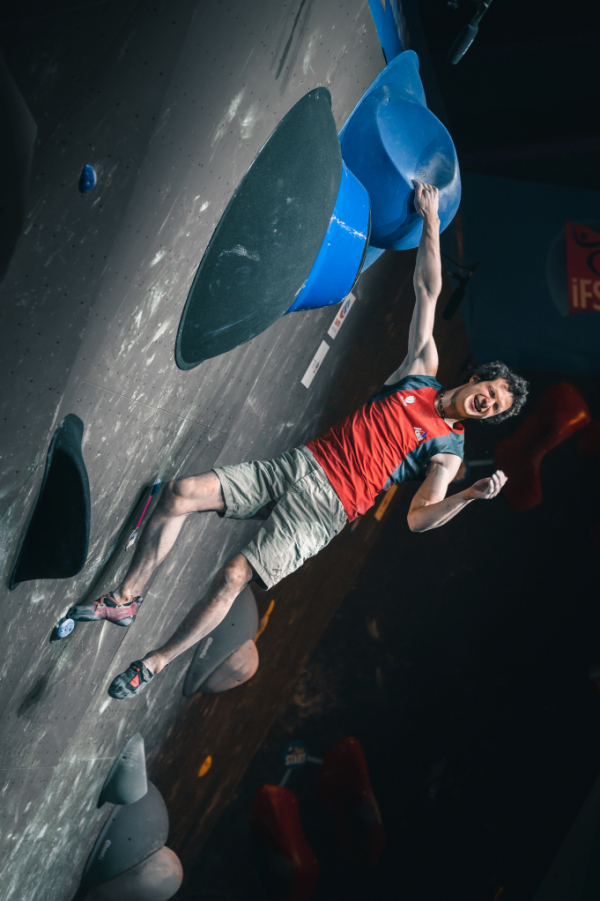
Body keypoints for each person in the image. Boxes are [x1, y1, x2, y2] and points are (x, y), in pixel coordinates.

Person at [69, 182, 528, 699]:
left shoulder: (447, 451)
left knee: (233, 575)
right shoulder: (421, 371)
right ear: (478, 379)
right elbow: (428, 289)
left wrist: (468, 495)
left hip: (327, 509)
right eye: (491, 392)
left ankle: (153, 664)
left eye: (496, 409)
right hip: (300, 464)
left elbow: (418, 519)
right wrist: (431, 221)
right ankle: (126, 600)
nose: (488, 403)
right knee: (179, 494)